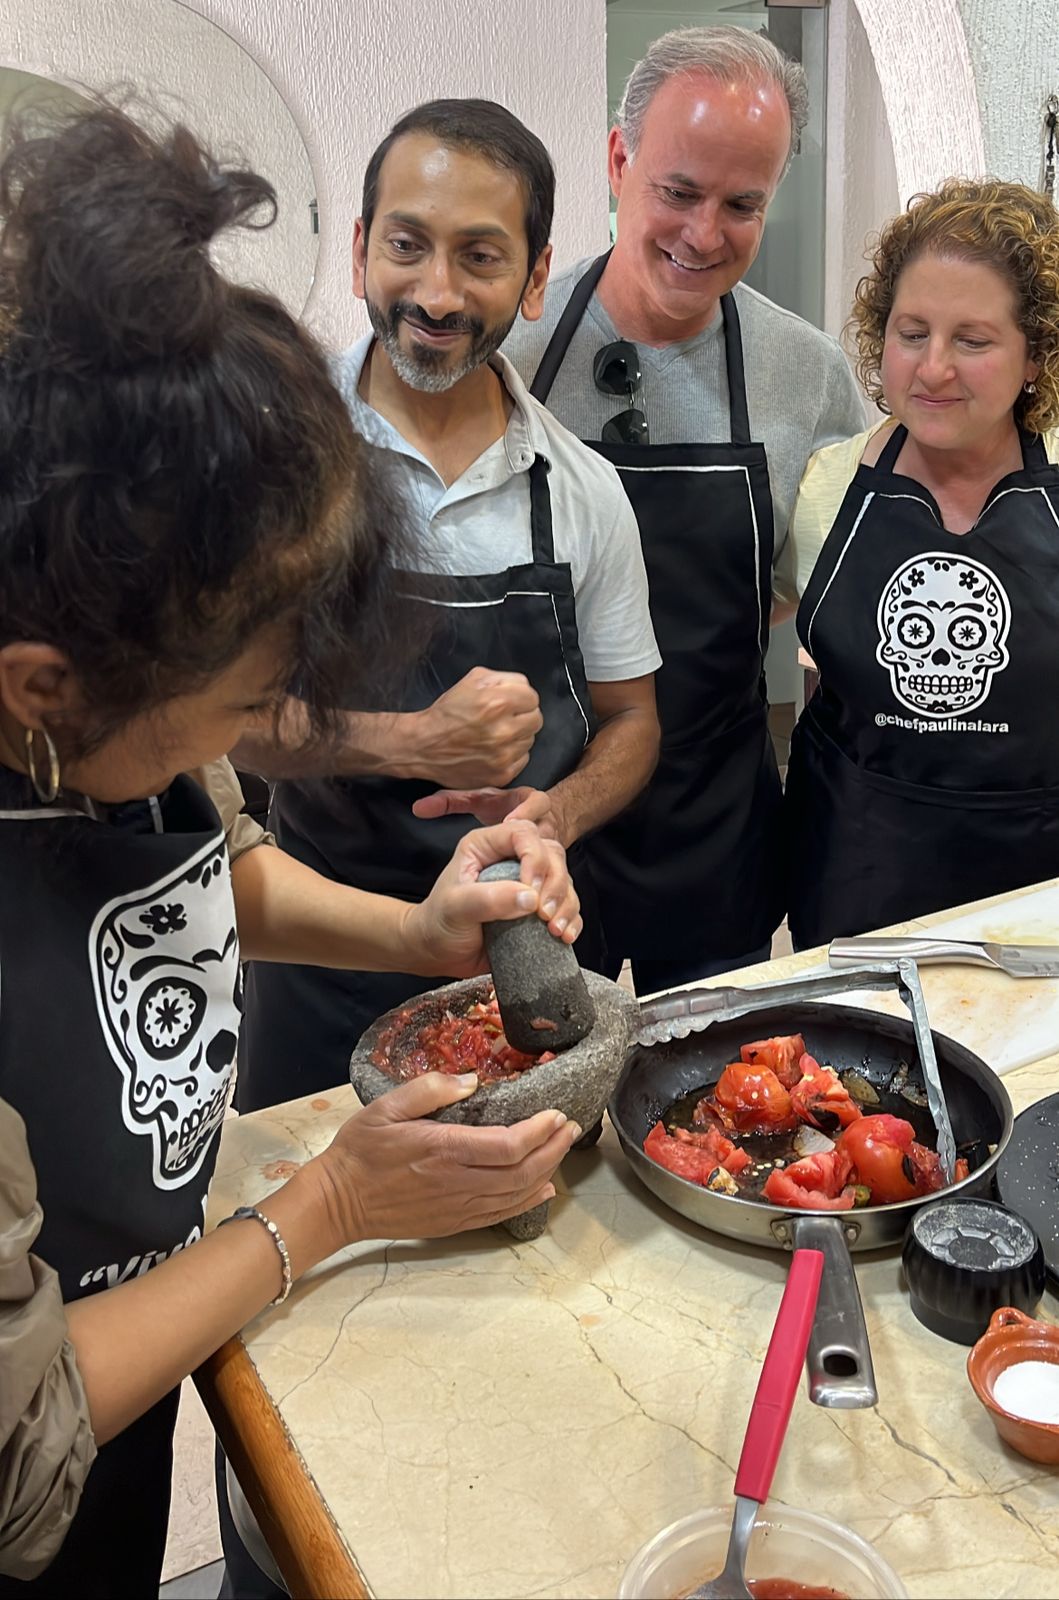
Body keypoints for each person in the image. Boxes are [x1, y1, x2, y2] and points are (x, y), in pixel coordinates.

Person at [0, 104, 585, 1594]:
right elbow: (16, 1448)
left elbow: (213, 868)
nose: (255, 727)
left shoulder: (110, 671)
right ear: (43, 688)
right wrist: (326, 1205)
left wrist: (416, 934)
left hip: (135, 1368)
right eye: (236, 705)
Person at [234, 98, 661, 1110]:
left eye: (478, 256)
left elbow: (633, 722)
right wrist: (413, 741)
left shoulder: (584, 489)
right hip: (319, 948)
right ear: (359, 251)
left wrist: (556, 811)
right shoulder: (272, 459)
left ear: (535, 277)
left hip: (517, 959)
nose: (436, 292)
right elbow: (218, 730)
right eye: (407, 245)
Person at [503, 26, 865, 994]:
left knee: (717, 1079)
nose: (704, 235)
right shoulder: (511, 352)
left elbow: (817, 580)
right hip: (537, 824)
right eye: (678, 191)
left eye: (742, 205)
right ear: (618, 161)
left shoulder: (807, 376)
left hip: (716, 830)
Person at [779, 178, 1059, 948]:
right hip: (854, 877)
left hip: (1038, 897)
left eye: (972, 340)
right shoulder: (823, 488)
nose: (932, 369)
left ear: (1034, 355)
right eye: (911, 333)